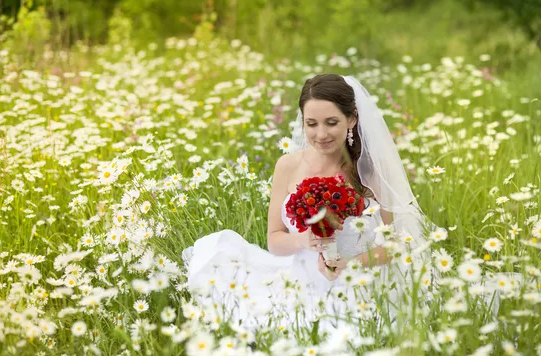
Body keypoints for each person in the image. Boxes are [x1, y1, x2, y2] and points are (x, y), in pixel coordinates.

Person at [182, 74, 434, 329]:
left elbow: (399, 244)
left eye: (332, 122)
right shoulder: (288, 166)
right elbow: (274, 240)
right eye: (311, 123)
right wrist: (302, 240)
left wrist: (350, 264)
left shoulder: (371, 173)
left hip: (362, 282)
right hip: (301, 278)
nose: (321, 134)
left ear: (352, 118)